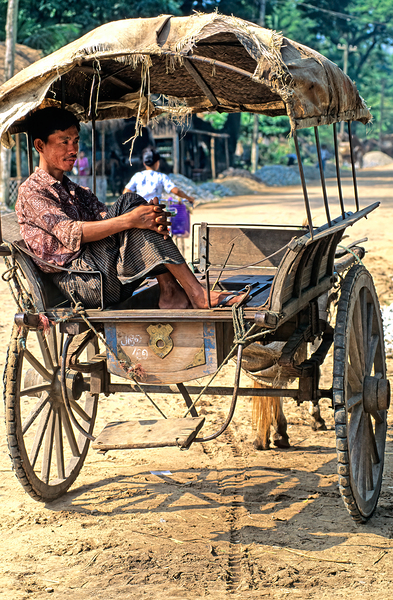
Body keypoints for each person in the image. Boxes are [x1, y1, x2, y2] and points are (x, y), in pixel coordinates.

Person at [15, 107, 244, 310]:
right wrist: (131, 219)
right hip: (84, 282)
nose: (73, 149)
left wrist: (145, 216)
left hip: (105, 273)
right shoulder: (33, 192)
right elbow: (72, 232)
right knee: (131, 205)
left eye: (75, 141)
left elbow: (108, 218)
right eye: (64, 141)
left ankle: (172, 292)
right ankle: (195, 294)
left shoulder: (76, 190)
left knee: (137, 207)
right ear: (40, 145)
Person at [123, 148, 195, 205]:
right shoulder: (161, 176)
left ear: (144, 163)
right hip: (155, 210)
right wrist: (189, 198)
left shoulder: (137, 176)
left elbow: (126, 192)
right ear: (157, 163)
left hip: (140, 209)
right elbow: (176, 191)